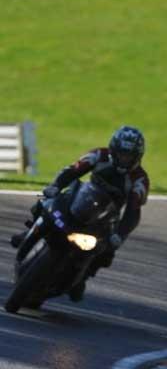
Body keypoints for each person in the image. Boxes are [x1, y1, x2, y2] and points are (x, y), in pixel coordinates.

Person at [10, 126, 149, 301]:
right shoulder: (99, 155)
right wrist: (56, 186)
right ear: (114, 149)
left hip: (105, 218)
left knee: (106, 252)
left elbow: (133, 211)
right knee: (45, 203)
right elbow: (72, 171)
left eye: (128, 156)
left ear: (137, 156)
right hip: (80, 199)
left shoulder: (140, 180)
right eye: (121, 153)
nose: (124, 159)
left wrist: (120, 234)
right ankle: (30, 232)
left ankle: (82, 277)